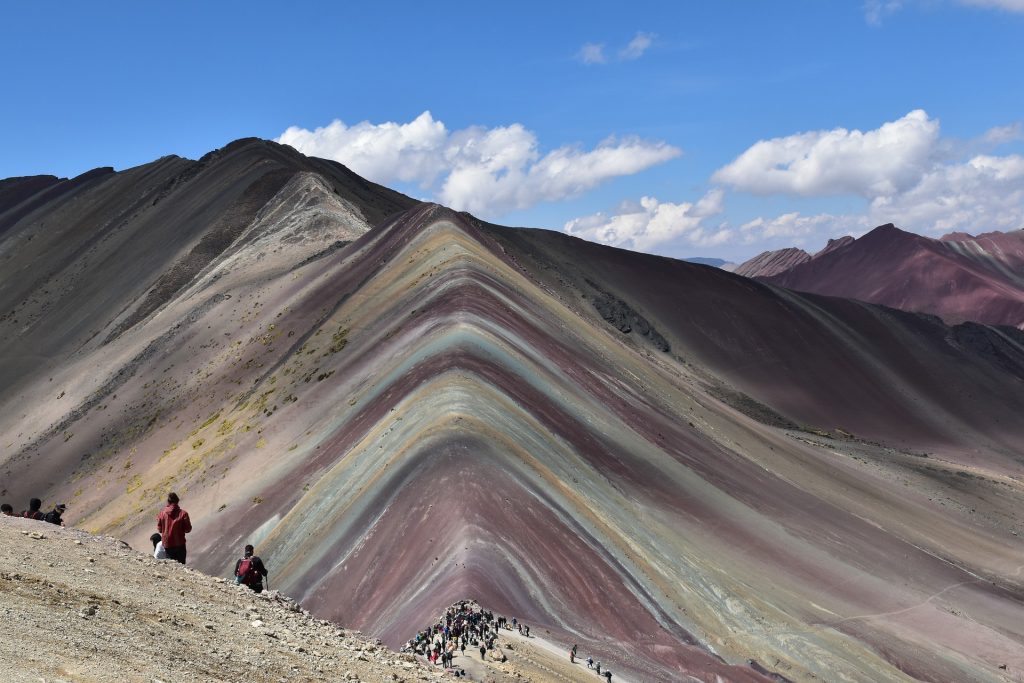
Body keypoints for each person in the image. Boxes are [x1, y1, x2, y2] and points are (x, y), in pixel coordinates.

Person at [156, 492, 191, 564]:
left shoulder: (162, 514)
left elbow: (160, 530)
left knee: (173, 565)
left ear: (168, 502)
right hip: (180, 543)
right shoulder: (183, 513)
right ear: (177, 501)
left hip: (168, 545)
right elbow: (188, 529)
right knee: (182, 564)